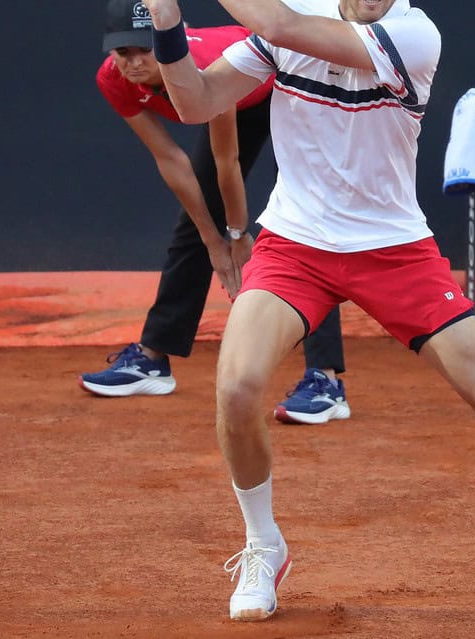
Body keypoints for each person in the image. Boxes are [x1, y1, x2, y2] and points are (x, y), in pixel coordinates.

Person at [141, 0, 475, 623]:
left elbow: (282, 26)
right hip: (295, 244)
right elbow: (196, 102)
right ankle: (263, 546)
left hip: (395, 251)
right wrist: (165, 25)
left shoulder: (412, 33)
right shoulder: (292, 21)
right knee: (238, 389)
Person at [82, 0, 352, 426]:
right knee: (194, 225)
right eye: (123, 52)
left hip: (286, 83)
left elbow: (227, 160)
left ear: (165, 43)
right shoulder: (113, 80)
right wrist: (213, 242)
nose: (133, 63)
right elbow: (172, 160)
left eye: (144, 50)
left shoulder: (203, 67)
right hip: (231, 101)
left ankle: (326, 380)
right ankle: (153, 358)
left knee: (306, 222)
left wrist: (238, 235)